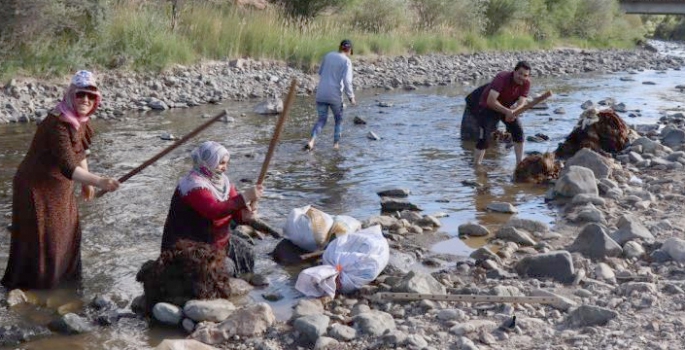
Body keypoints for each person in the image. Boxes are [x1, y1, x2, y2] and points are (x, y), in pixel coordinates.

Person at [2, 70, 120, 290]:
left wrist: (86, 183)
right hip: (35, 188)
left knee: (69, 231)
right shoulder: (58, 123)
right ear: (71, 95)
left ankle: (65, 285)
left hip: (60, 186)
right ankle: (37, 288)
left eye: (91, 96)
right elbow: (68, 166)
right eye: (81, 94)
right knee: (46, 239)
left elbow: (81, 152)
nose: (86, 100)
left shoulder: (82, 120)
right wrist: (99, 181)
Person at [161, 141, 264, 276]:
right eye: (221, 163)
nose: (225, 168)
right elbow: (214, 211)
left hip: (216, 242)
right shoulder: (192, 184)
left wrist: (246, 215)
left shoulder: (223, 182)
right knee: (227, 268)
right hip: (190, 247)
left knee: (247, 252)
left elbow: (236, 212)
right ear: (209, 162)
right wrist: (245, 197)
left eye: (226, 163)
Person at [473, 61, 532, 167]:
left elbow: (522, 100)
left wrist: (515, 111)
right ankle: (477, 166)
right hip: (488, 107)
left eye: (525, 75)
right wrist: (507, 112)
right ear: (514, 71)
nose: (522, 77)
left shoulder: (526, 82)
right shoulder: (502, 78)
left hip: (507, 107)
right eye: (520, 73)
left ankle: (519, 164)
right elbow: (491, 101)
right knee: (485, 137)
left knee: (518, 131)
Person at [305, 39, 357, 151]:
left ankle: (311, 141)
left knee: (321, 120)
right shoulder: (346, 61)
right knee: (338, 120)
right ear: (350, 50)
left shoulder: (328, 55)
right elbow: (347, 81)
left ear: (340, 47)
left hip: (321, 94)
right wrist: (351, 97)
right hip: (335, 96)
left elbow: (320, 73)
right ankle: (335, 145)